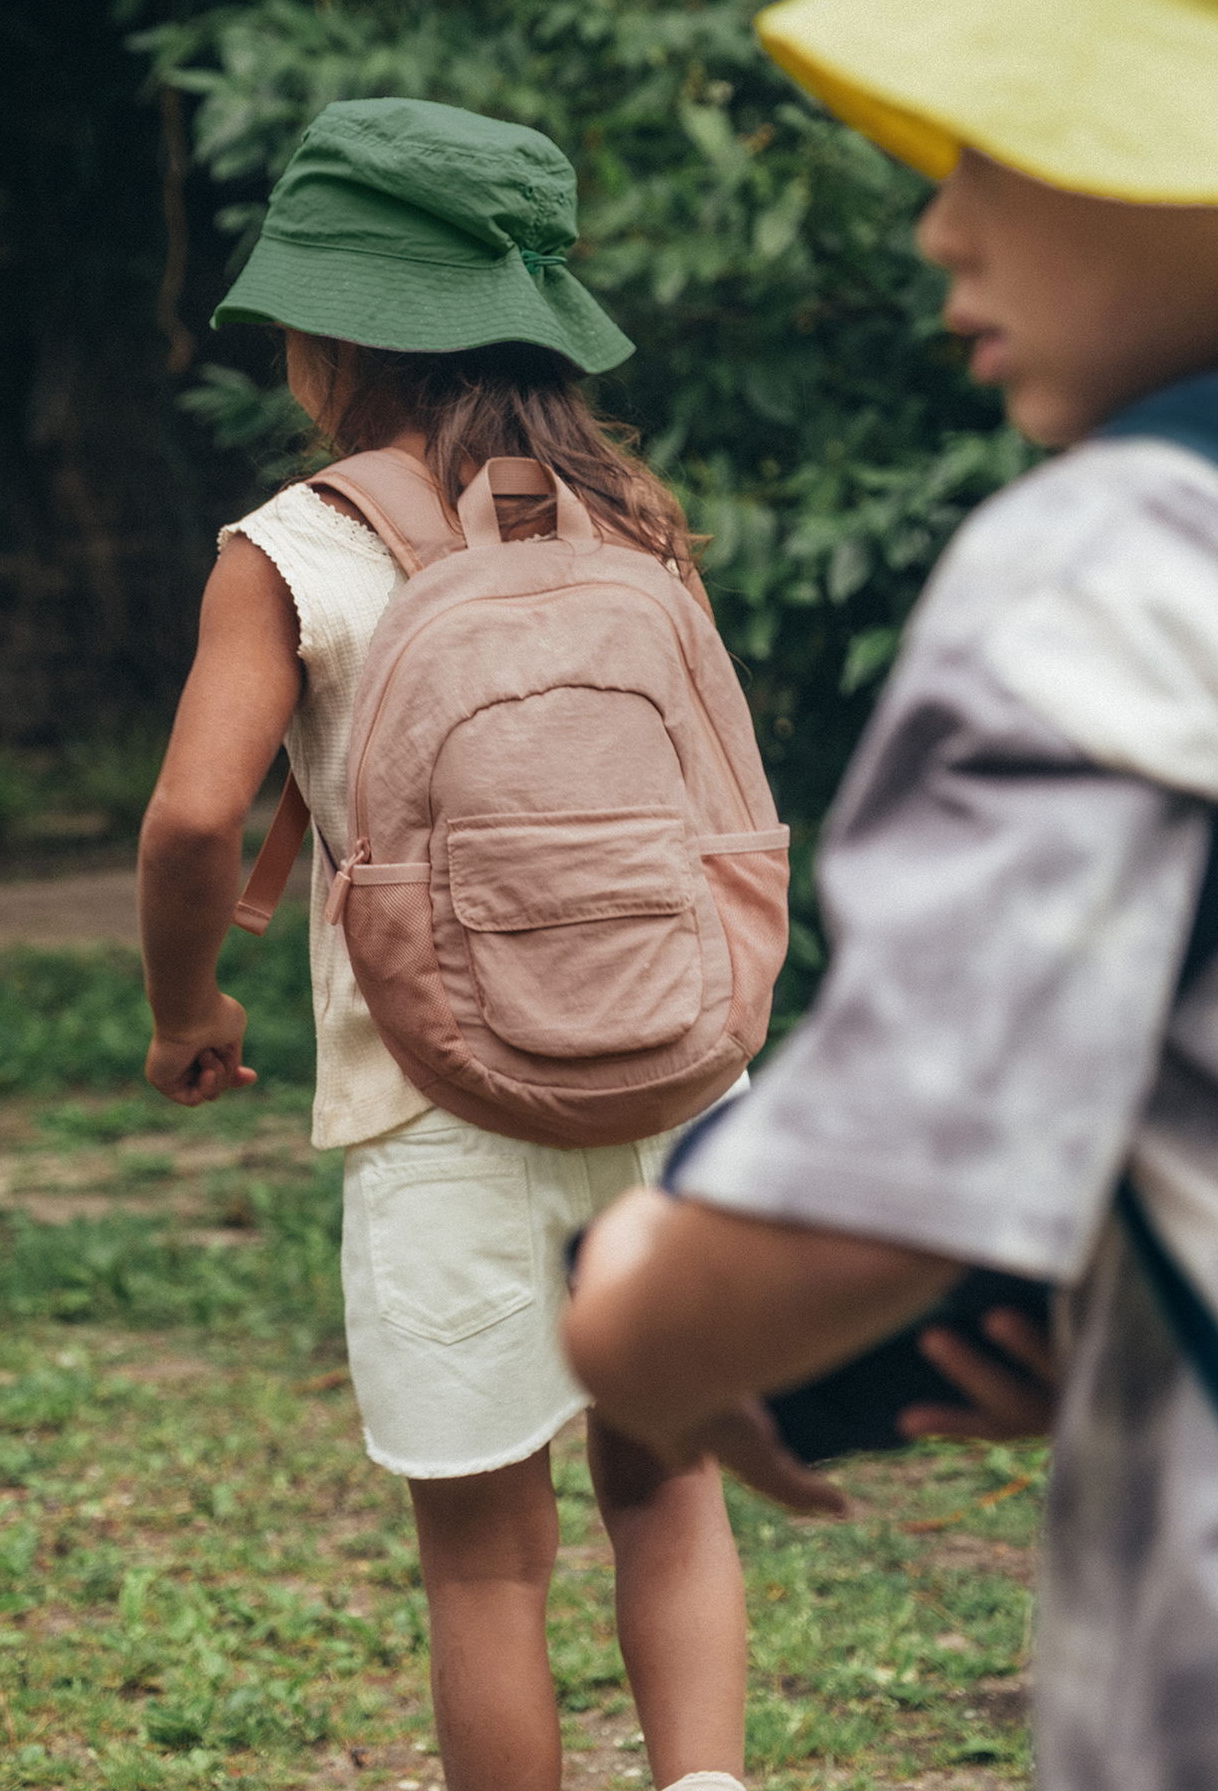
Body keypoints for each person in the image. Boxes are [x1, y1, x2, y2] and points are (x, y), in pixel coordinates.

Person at [563, 0, 1218, 1787]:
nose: (938, 221)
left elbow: (887, 1189)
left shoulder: (1132, 558)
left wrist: (640, 1331)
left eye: (997, 137)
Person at [136, 97, 753, 1791]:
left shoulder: (296, 547)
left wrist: (187, 1004)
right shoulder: (630, 520)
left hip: (437, 1100)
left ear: (333, 327)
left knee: (487, 1558)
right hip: (664, 1072)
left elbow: (195, 819)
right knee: (670, 1483)